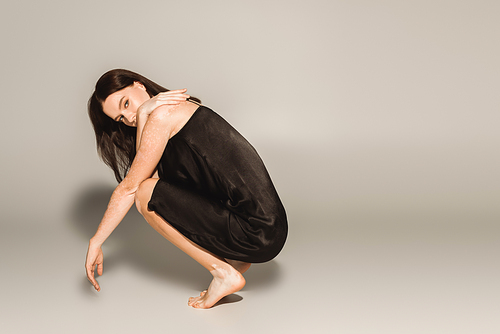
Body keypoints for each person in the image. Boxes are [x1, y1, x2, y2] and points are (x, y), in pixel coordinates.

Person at [85, 69, 288, 309]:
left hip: (258, 230)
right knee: (149, 190)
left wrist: (96, 241)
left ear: (139, 84)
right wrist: (142, 112)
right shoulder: (168, 112)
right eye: (120, 118)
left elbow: (135, 189)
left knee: (144, 195)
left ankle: (223, 273)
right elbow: (155, 181)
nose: (128, 117)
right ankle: (235, 261)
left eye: (126, 103)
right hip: (269, 229)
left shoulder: (163, 115)